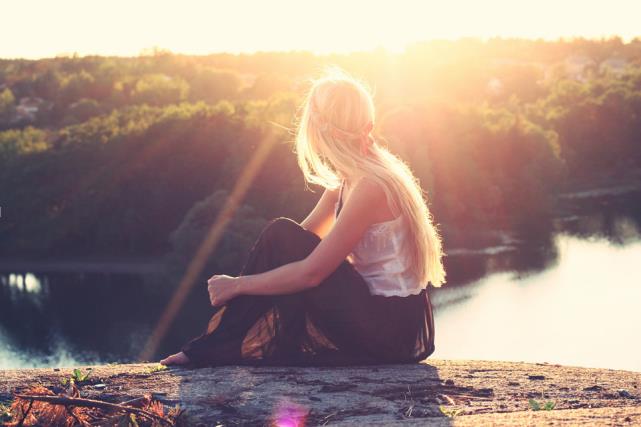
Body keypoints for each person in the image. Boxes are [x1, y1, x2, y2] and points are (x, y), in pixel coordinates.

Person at [160, 66, 447, 367]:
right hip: (384, 320)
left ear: (317, 128)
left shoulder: (370, 187)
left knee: (281, 237)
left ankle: (213, 348)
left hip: (391, 331)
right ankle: (217, 346)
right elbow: (288, 247)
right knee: (280, 234)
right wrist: (248, 281)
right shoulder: (348, 181)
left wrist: (238, 285)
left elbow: (312, 273)